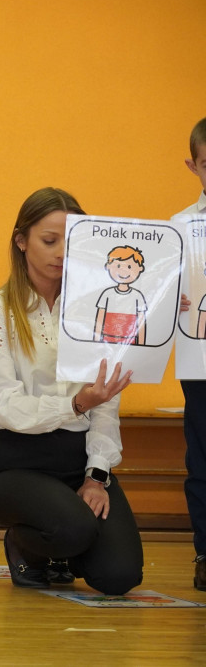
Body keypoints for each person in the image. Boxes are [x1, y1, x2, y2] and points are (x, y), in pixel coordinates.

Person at [0, 187, 143, 595]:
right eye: (50, 241)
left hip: (78, 462)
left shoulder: (100, 312)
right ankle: (25, 542)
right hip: (17, 463)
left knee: (120, 577)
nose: (61, 252)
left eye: (72, 241)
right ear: (21, 240)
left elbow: (107, 406)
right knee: (73, 527)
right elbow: (6, 406)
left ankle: (67, 546)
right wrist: (77, 403)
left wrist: (96, 477)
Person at [172, 117, 206, 590]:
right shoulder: (179, 229)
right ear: (193, 165)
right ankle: (205, 553)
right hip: (201, 367)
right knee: (202, 461)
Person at [94, 246, 147, 345]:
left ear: (140, 268)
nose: (124, 271)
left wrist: (141, 345)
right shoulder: (107, 294)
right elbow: (100, 318)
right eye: (118, 266)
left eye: (129, 267)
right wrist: (95, 342)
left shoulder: (137, 296)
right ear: (108, 266)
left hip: (129, 343)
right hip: (106, 342)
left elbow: (141, 323)